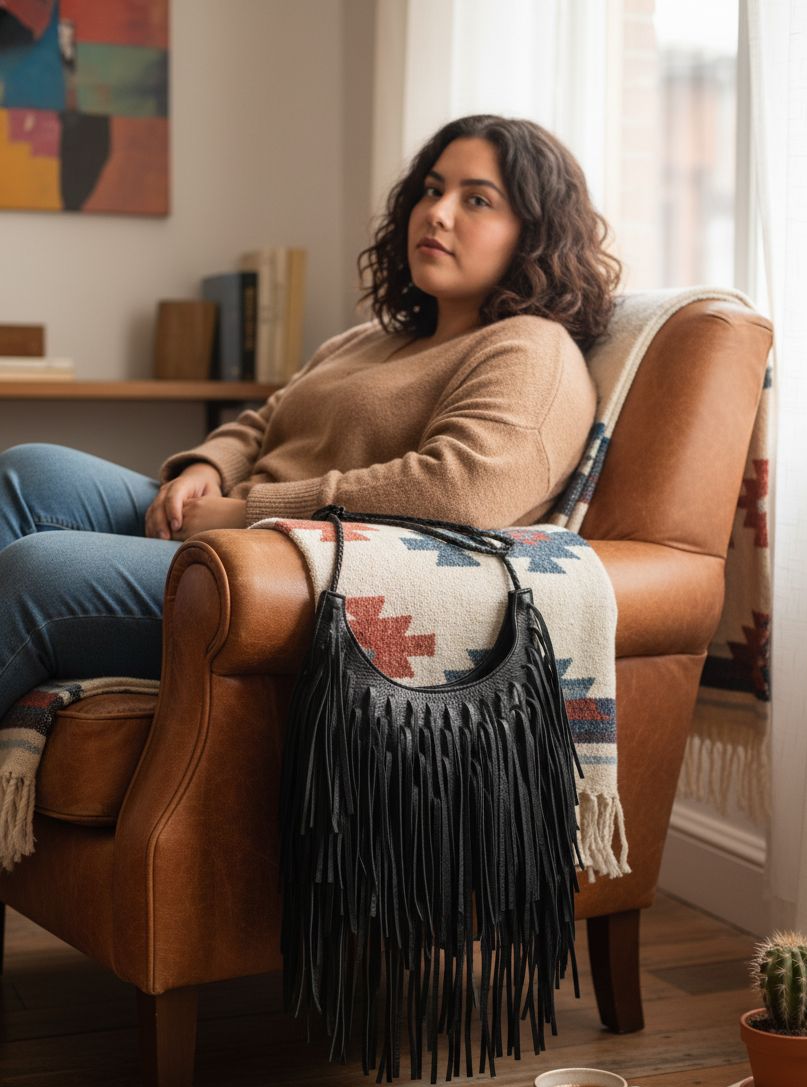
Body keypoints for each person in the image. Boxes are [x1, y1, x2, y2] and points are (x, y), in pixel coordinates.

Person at [0, 114, 621, 719]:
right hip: (234, 529)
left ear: (533, 234)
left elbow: (461, 491)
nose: (438, 212)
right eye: (433, 190)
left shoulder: (532, 349)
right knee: (30, 472)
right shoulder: (369, 339)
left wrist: (249, 512)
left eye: (477, 200)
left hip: (301, 582)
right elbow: (265, 420)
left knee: (39, 571)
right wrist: (207, 469)